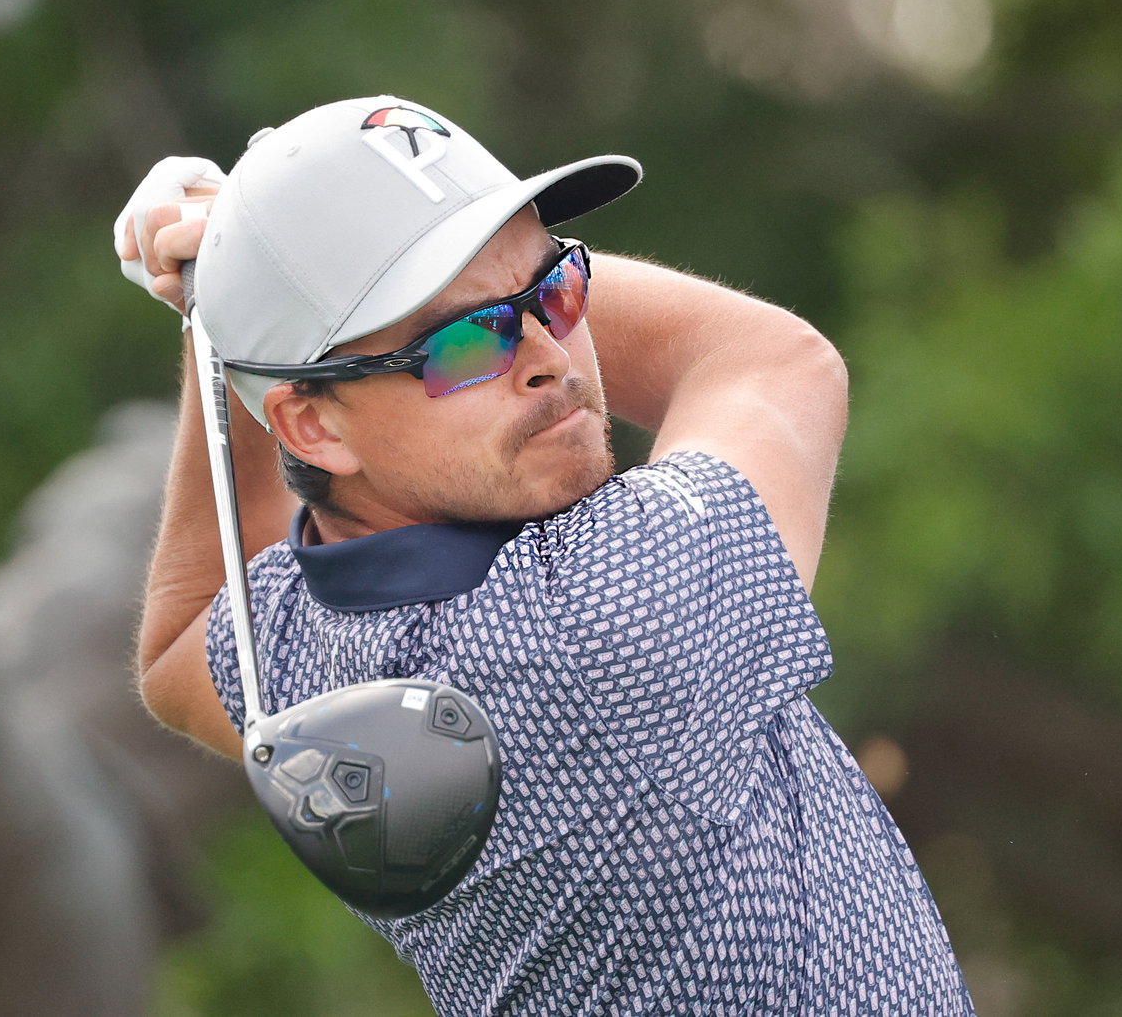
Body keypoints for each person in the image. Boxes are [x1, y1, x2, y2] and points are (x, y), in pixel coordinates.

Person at [116, 95, 975, 1015]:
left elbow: (183, 640)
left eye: (560, 289)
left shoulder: (300, 649)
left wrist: (230, 311)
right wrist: (241, 283)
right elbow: (770, 358)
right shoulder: (608, 614)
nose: (547, 355)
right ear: (313, 423)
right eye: (461, 339)